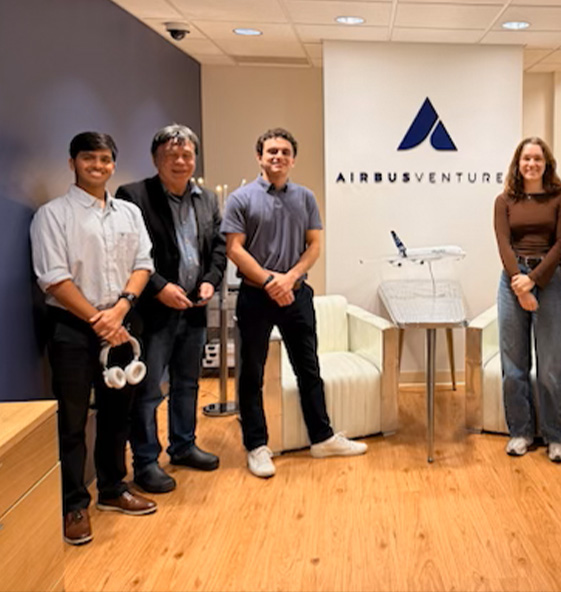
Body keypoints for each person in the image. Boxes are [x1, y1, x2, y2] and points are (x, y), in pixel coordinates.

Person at [31, 132, 157, 545]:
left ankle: (112, 489)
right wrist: (97, 319)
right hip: (72, 327)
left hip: (121, 320)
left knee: (117, 411)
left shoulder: (128, 214)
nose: (98, 166)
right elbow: (52, 277)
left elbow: (143, 264)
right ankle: (73, 505)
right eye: (89, 159)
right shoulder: (52, 215)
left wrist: (119, 310)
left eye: (105, 159)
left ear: (113, 165)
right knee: (71, 420)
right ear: (72, 163)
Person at [221, 127, 366, 478]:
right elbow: (234, 248)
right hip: (256, 295)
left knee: (308, 368)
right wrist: (270, 280)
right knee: (252, 372)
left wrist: (290, 278)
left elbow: (314, 244)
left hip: (296, 294)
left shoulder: (305, 197)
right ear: (259, 156)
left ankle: (322, 437)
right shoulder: (240, 199)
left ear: (293, 159)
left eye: (285, 152)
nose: (278, 157)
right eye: (271, 151)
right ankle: (256, 446)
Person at [116, 124, 226, 494]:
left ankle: (183, 445)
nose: (180, 161)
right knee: (147, 390)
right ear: (155, 159)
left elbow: (219, 248)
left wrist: (210, 279)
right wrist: (160, 288)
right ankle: (146, 462)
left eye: (186, 155)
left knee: (187, 384)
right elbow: (128, 255)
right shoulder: (133, 196)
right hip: (154, 312)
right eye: (171, 155)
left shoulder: (207, 199)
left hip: (194, 308)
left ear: (195, 158)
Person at [494, 136, 561, 463]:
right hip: (512, 281)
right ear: (518, 163)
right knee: (514, 365)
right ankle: (520, 432)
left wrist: (534, 279)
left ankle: (557, 436)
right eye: (526, 159)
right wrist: (521, 285)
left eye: (537, 159)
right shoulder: (504, 200)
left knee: (553, 363)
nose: (531, 164)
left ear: (546, 164)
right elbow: (503, 242)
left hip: (549, 280)